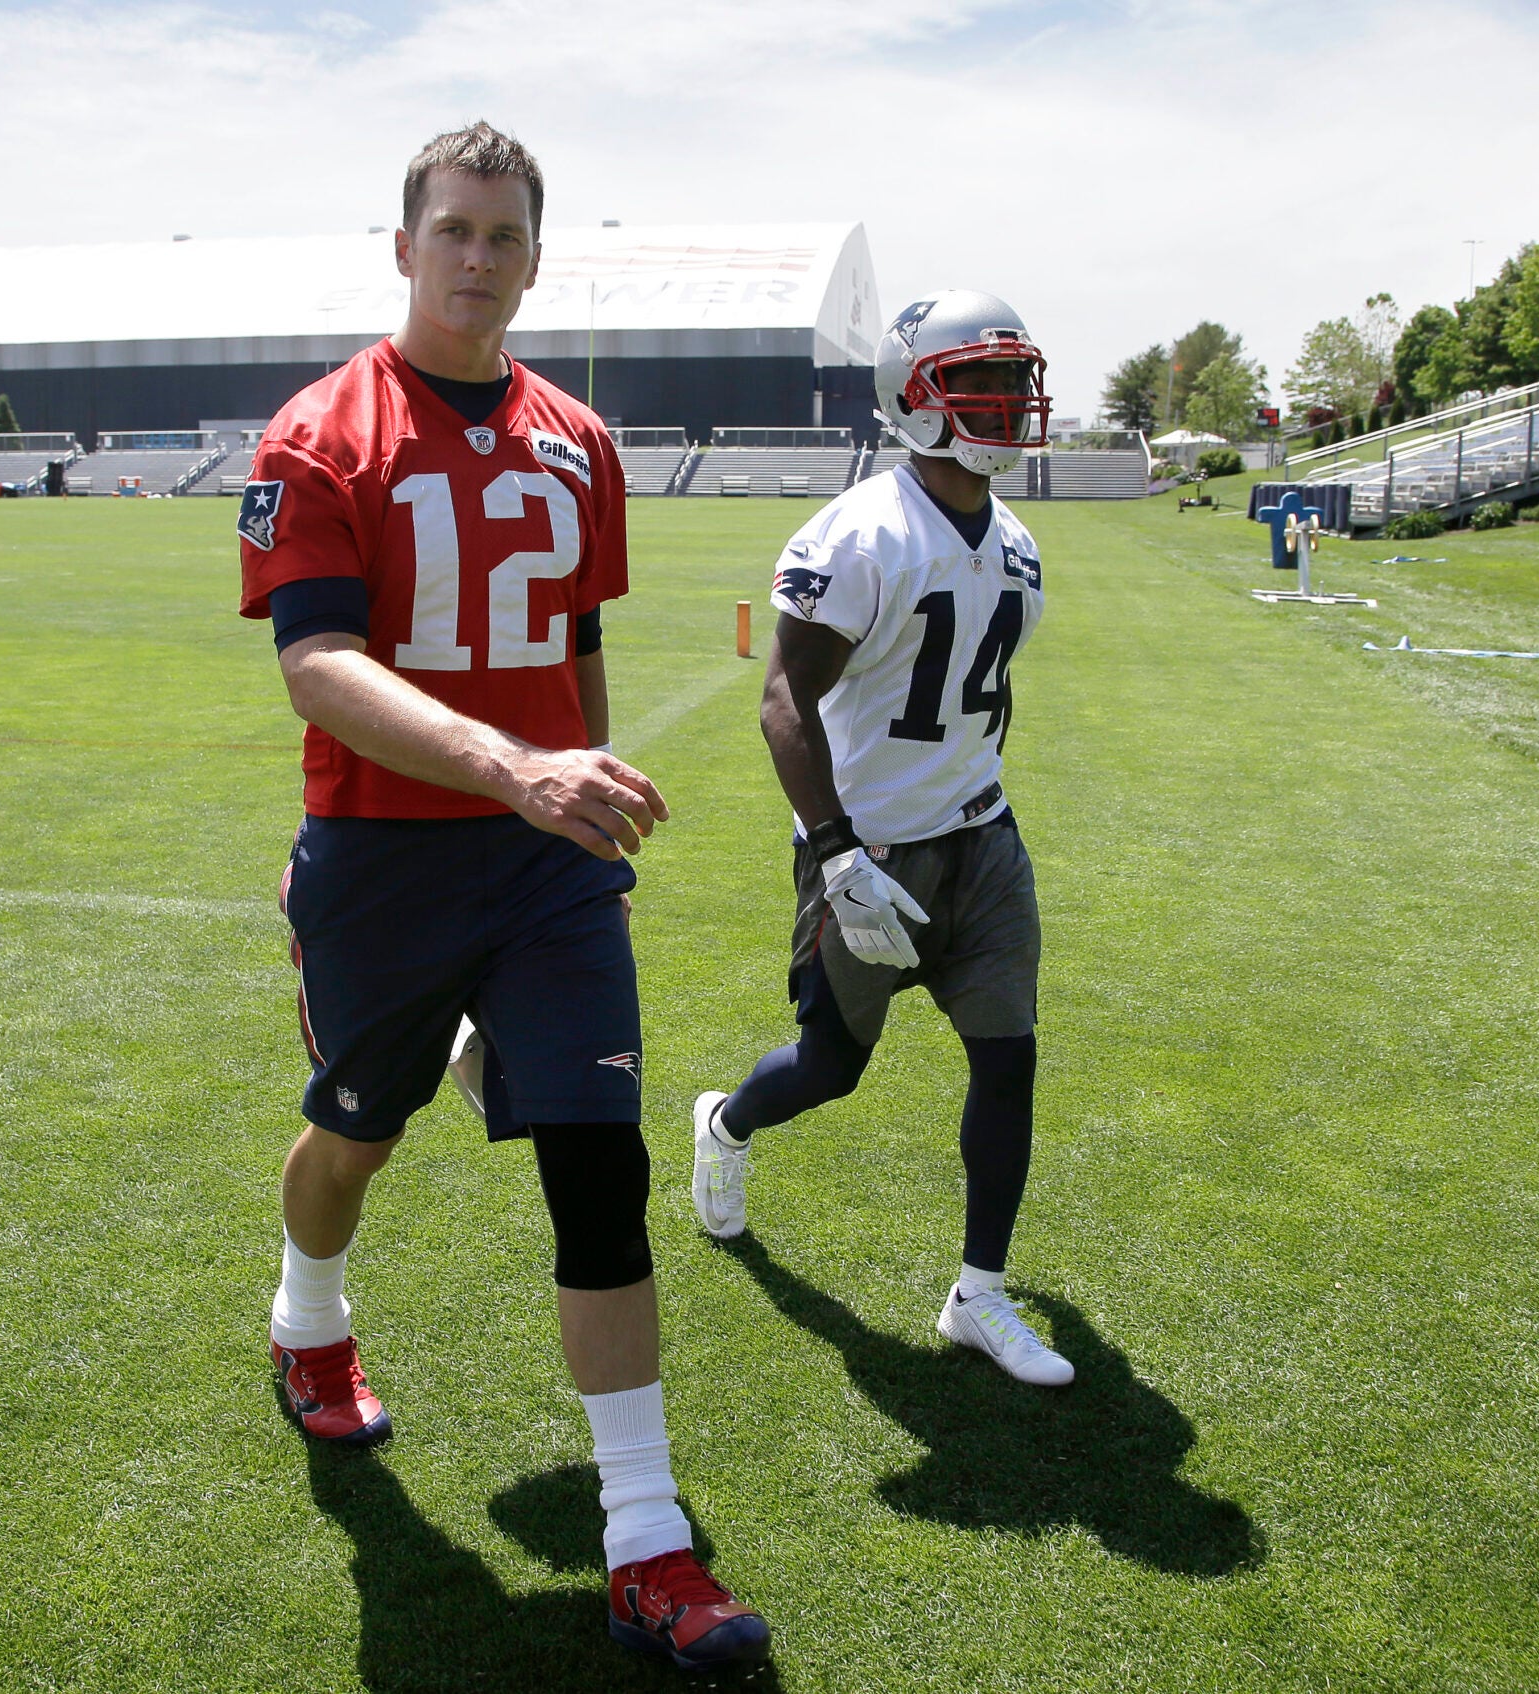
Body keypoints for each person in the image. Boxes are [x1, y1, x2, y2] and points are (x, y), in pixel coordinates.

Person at [238, 122, 768, 1671]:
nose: (478, 257)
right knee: (355, 1133)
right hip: (388, 855)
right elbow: (317, 667)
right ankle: (307, 1318)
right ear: (405, 246)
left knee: (600, 1174)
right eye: (453, 229)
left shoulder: (579, 439)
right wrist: (512, 766)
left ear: (536, 259)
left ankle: (647, 1541)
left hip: (546, 866)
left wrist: (577, 788)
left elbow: (580, 653)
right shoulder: (320, 432)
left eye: (505, 235)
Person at [690, 290, 1075, 1389]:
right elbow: (781, 699)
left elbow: (973, 699)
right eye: (979, 383)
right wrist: (839, 850)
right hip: (868, 849)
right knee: (830, 1068)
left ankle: (979, 1292)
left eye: (1014, 381)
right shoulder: (860, 531)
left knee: (1009, 1056)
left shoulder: (1016, 541)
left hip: (982, 841)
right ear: (913, 396)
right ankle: (726, 1123)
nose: (1006, 403)